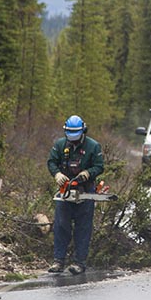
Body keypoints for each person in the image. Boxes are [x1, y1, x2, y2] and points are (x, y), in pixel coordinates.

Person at [47, 115, 104, 274]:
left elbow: (99, 166)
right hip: (65, 191)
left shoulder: (93, 146)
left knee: (83, 228)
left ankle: (79, 262)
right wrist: (57, 174)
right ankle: (58, 260)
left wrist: (88, 173)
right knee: (61, 225)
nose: (72, 138)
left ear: (82, 131)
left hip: (85, 190)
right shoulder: (60, 145)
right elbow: (51, 162)